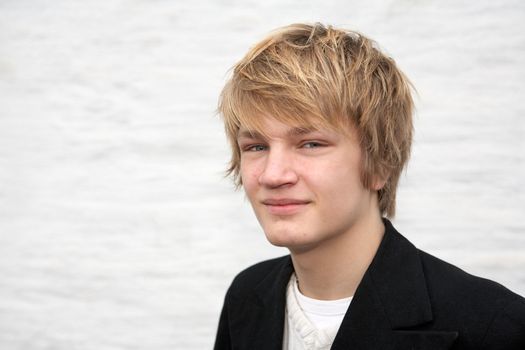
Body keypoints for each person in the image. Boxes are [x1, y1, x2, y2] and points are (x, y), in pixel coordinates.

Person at [213, 23, 525, 349]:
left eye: (311, 144)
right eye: (256, 147)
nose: (273, 175)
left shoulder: (495, 327)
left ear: (380, 164)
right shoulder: (247, 297)